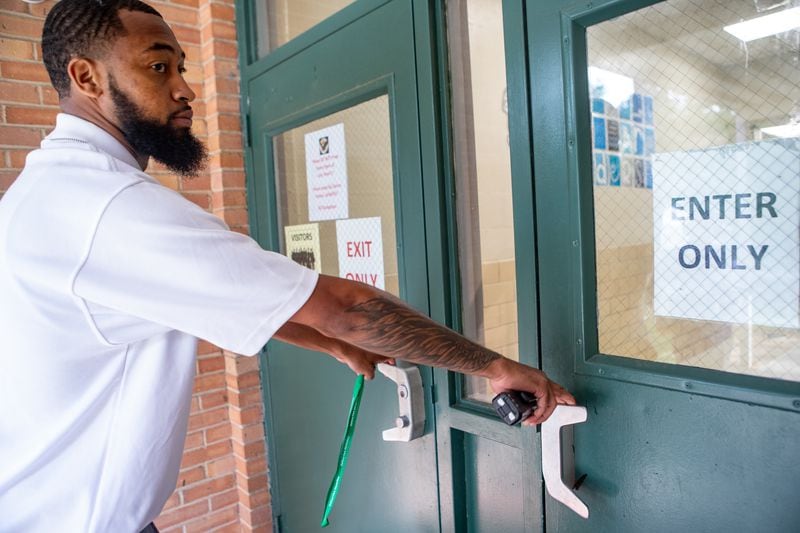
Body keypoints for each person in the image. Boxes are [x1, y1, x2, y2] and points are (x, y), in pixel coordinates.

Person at [0, 1, 575, 531]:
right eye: (158, 69)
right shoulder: (111, 208)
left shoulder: (47, 192)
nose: (185, 90)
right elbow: (348, 309)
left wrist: (325, 342)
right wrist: (495, 367)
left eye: (181, 68)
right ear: (86, 77)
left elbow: (215, 298)